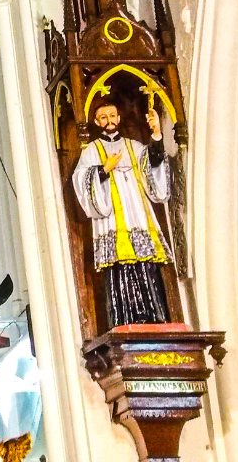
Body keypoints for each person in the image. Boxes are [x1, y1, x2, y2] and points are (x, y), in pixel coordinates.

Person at [71, 101, 172, 327]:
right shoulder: (91, 151)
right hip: (113, 221)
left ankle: (156, 316)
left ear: (119, 118)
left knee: (147, 264)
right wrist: (104, 169)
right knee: (119, 268)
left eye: (112, 115)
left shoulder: (133, 146)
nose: (109, 120)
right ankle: (124, 320)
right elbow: (79, 180)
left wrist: (156, 134)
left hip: (137, 213)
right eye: (103, 117)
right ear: (97, 122)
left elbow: (152, 163)